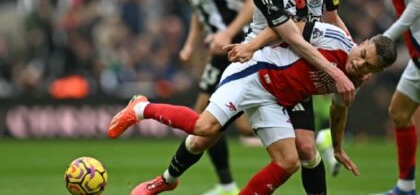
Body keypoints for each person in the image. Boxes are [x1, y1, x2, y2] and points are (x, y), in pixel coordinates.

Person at [108, 21, 397, 195]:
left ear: (376, 71)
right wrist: (250, 46)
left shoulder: (356, 79)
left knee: (288, 162)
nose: (359, 63)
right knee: (204, 129)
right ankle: (142, 107)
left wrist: (337, 147)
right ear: (364, 42)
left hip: (274, 99)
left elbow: (338, 109)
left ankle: (167, 181)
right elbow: (285, 28)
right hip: (255, 72)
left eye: (368, 65)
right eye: (362, 54)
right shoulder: (333, 38)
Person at [225, 0, 351, 194]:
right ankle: (147, 116)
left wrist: (350, 50)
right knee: (209, 129)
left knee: (305, 148)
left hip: (300, 71)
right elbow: (288, 36)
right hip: (269, 68)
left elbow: (333, 22)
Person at [137, 0, 254, 194]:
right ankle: (226, 184)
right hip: (218, 51)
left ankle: (224, 183)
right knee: (205, 118)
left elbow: (251, 2)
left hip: (242, 46)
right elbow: (198, 11)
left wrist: (227, 34)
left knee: (214, 120)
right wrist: (190, 44)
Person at [368, 0, 420, 194]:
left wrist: (386, 37)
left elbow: (417, 1)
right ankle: (405, 187)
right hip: (417, 57)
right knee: (399, 112)